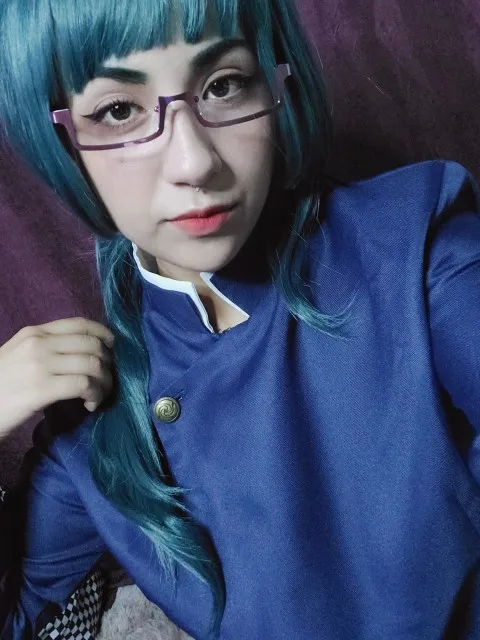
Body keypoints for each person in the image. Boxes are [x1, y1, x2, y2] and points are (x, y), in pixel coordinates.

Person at [0, 0, 479, 638]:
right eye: (118, 111)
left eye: (223, 85)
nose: (194, 163)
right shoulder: (94, 423)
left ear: (275, 82)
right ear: (62, 144)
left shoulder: (417, 250)